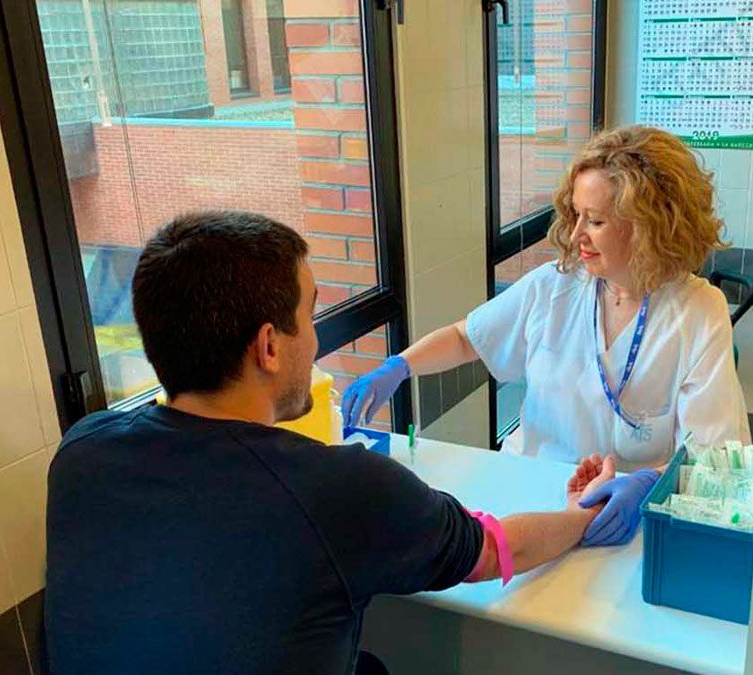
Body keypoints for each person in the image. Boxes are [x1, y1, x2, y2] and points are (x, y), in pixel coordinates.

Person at [45, 211, 615, 675]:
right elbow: (492, 552)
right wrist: (580, 515)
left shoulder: (82, 454)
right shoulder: (340, 489)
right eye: (310, 312)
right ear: (268, 347)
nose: (315, 338)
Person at [344, 126, 750, 546]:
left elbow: (715, 454)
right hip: (530, 492)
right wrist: (400, 365)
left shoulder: (699, 311)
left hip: (627, 516)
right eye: (574, 215)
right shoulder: (554, 287)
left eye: (595, 221)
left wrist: (647, 483)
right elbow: (469, 339)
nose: (576, 235)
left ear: (649, 226)